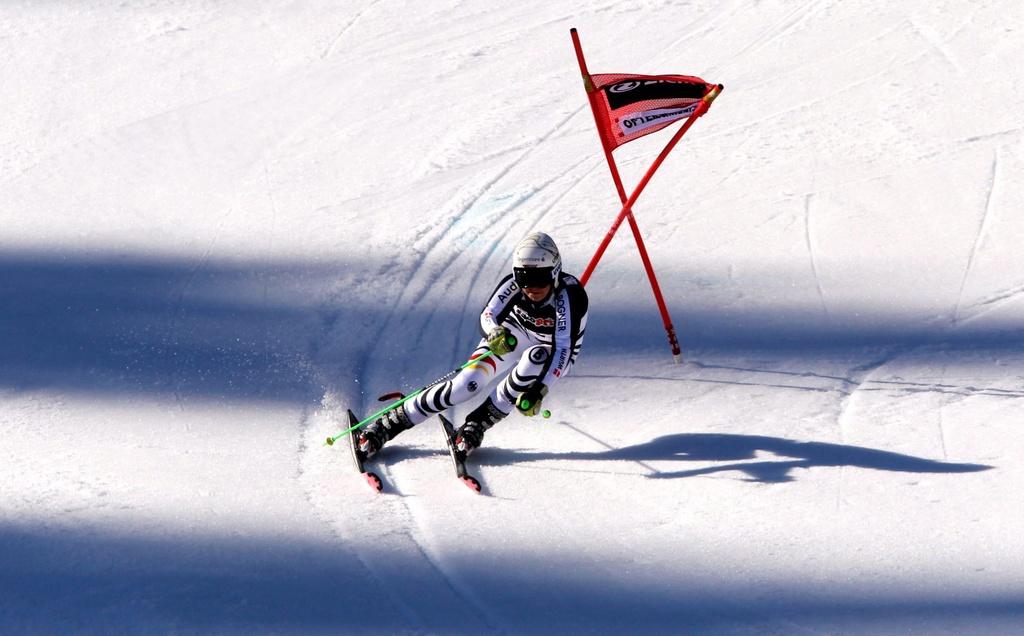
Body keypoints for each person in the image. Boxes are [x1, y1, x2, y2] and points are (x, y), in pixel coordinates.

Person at [358, 231, 589, 456]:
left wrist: (539, 390)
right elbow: (488, 315)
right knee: (466, 385)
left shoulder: (569, 297)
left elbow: (563, 349)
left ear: (555, 271)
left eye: (539, 277)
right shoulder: (512, 285)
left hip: (553, 349)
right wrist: (494, 332)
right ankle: (389, 424)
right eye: (523, 277)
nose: (531, 287)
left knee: (535, 359)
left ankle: (477, 424)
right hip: (513, 333)